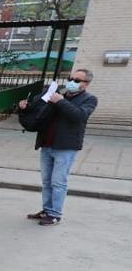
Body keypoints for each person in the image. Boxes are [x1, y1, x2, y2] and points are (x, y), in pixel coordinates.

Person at [18, 69, 98, 226]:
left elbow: (79, 116)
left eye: (76, 80)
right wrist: (26, 107)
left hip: (66, 146)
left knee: (58, 181)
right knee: (47, 181)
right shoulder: (59, 93)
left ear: (86, 84)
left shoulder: (89, 99)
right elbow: (40, 111)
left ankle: (55, 214)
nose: (71, 82)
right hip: (47, 143)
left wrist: (60, 101)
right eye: (70, 78)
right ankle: (47, 210)